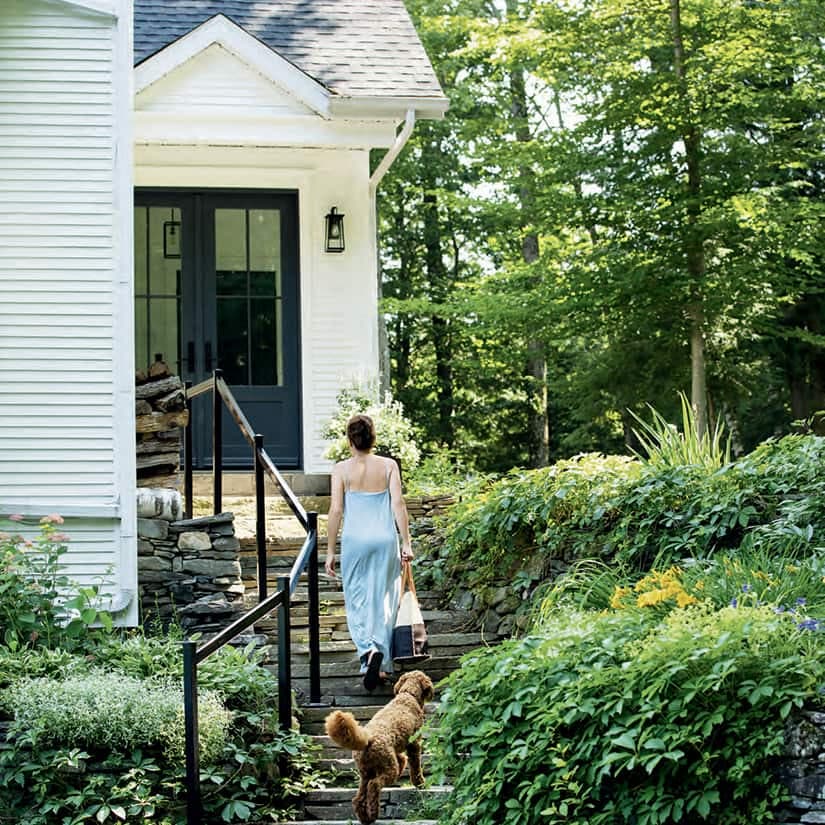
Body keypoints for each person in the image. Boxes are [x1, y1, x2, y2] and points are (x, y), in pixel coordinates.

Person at [325, 413, 414, 691]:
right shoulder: (388, 465)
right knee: (384, 600)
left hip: (355, 542)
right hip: (385, 539)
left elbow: (336, 510)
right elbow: (398, 505)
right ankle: (381, 663)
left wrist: (330, 551)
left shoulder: (341, 469)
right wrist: (406, 542)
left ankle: (368, 651)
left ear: (350, 438)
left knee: (357, 599)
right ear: (372, 437)